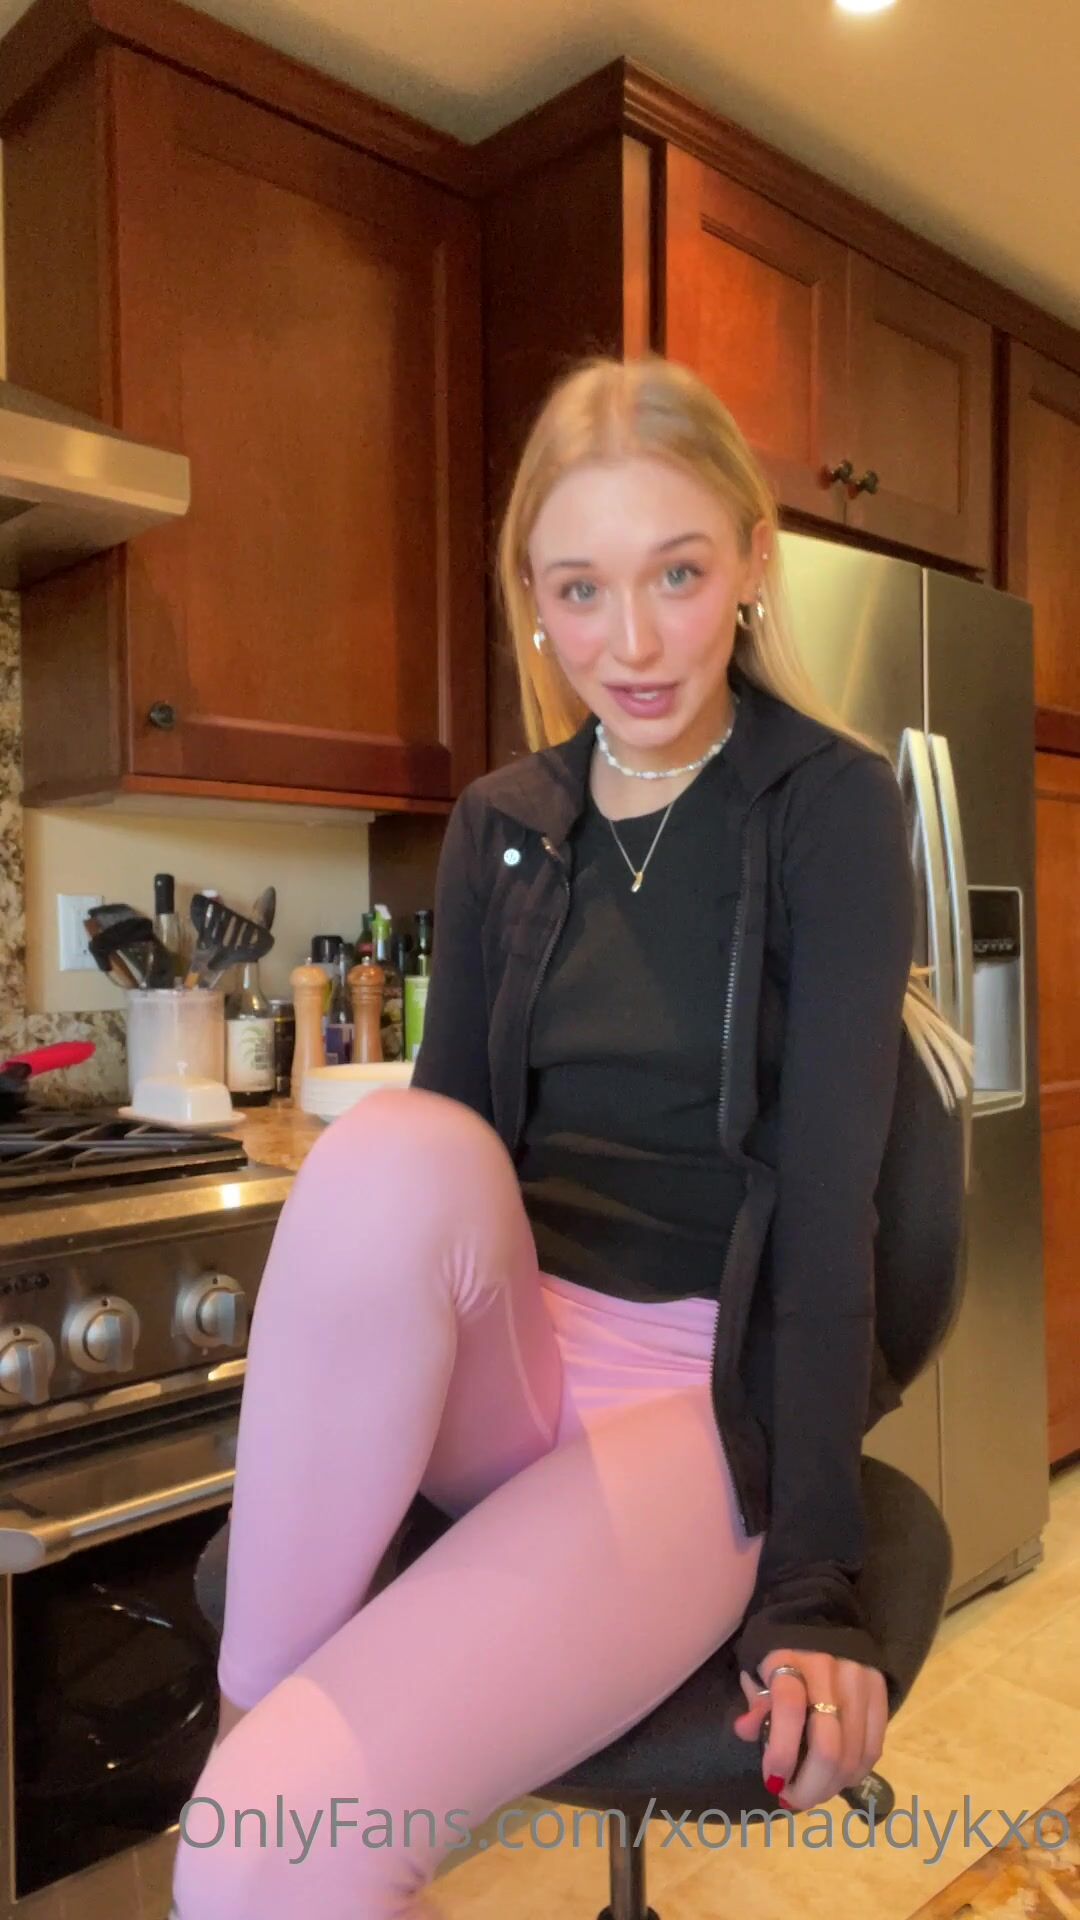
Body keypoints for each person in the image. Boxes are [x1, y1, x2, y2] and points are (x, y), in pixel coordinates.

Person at [171, 354, 969, 1920]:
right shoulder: (502, 825)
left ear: (751, 561)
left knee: (248, 1863)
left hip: (696, 1401)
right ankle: (249, 1712)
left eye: (677, 573)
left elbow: (828, 1214)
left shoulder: (830, 808)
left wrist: (816, 1579)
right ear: (533, 600)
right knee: (393, 1147)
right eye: (581, 588)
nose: (634, 641)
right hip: (512, 1368)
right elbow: (436, 1195)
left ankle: (259, 1798)